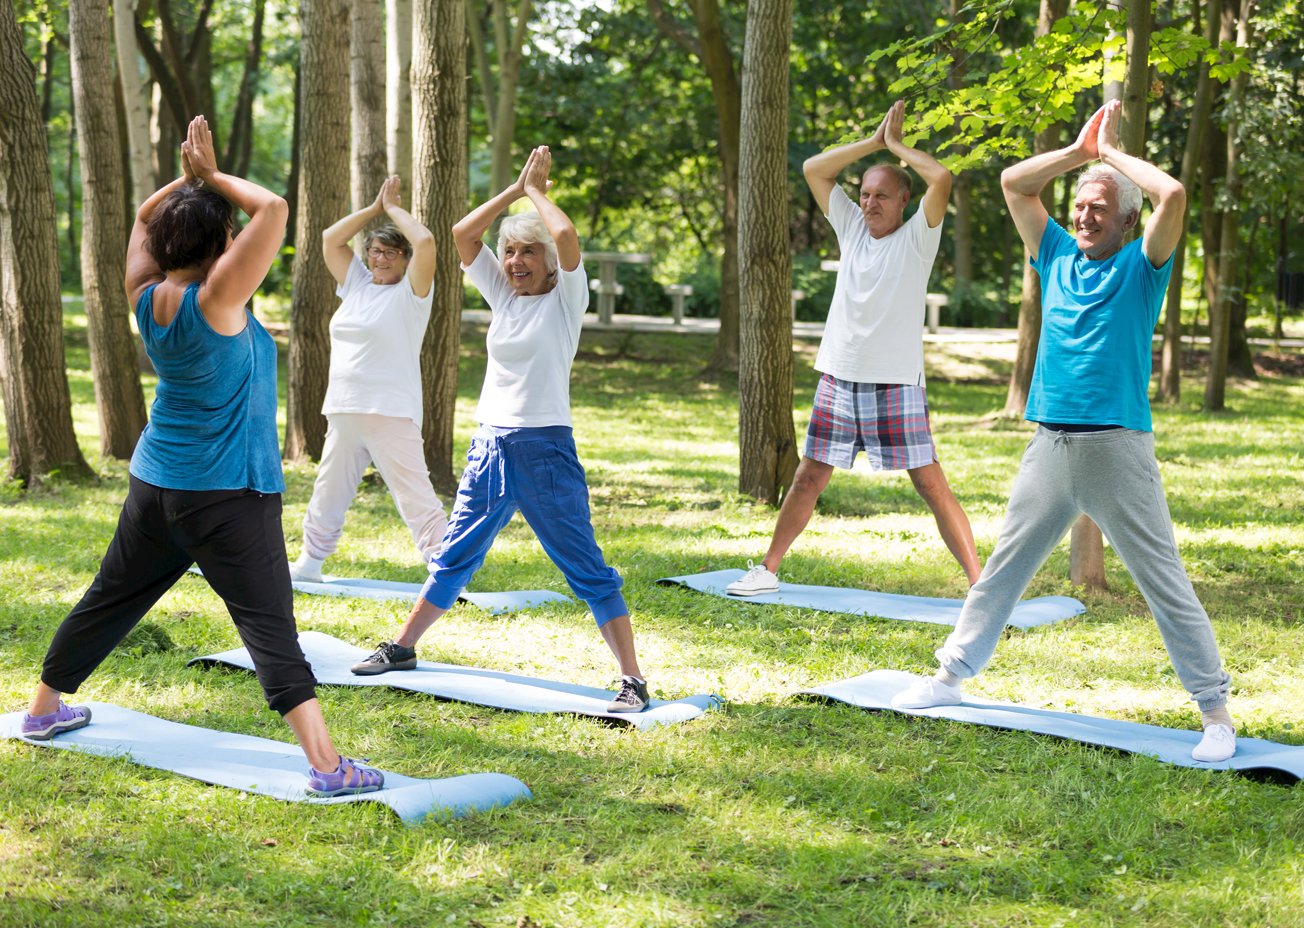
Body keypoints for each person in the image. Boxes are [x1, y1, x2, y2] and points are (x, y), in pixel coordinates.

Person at [18, 116, 383, 796]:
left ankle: (43, 713)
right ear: (220, 243)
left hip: (157, 485)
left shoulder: (143, 297)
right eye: (228, 234)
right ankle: (330, 769)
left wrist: (185, 186)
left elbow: (140, 219)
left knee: (108, 600)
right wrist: (209, 176)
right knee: (270, 628)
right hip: (228, 496)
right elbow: (273, 209)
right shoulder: (219, 300)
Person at [891, 100, 1236, 764]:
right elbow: (1014, 183)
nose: (1083, 213)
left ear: (1129, 222)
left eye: (1099, 207)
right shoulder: (1053, 252)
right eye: (1079, 203)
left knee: (1163, 580)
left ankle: (1215, 713)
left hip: (1116, 449)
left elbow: (1175, 193)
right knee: (1002, 571)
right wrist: (1080, 156)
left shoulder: (1144, 267)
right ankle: (949, 679)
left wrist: (1111, 158)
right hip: (1050, 445)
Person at [348, 146, 652, 713]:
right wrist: (514, 190)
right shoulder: (504, 299)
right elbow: (464, 235)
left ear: (549, 263)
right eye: (510, 251)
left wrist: (538, 193)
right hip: (490, 446)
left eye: (527, 253)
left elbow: (566, 238)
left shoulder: (566, 299)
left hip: (544, 451)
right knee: (455, 555)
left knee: (584, 566)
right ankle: (404, 646)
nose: (514, 261)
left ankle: (631, 678)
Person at [726, 100, 981, 597]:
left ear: (904, 200)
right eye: (864, 194)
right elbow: (813, 170)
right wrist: (872, 142)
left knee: (930, 484)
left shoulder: (917, 239)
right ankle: (768, 571)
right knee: (807, 479)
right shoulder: (851, 230)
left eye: (881, 195)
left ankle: (980, 585)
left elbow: (943, 177)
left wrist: (898, 147)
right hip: (839, 378)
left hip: (896, 381)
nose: (869, 204)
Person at [289, 176, 447, 583]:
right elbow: (329, 239)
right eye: (376, 251)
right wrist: (375, 208)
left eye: (392, 253)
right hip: (344, 407)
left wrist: (394, 208)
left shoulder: (413, 292)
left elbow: (427, 242)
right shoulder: (356, 284)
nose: (381, 259)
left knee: (414, 494)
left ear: (405, 259)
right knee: (329, 490)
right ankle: (310, 563)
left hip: (391, 410)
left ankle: (445, 569)